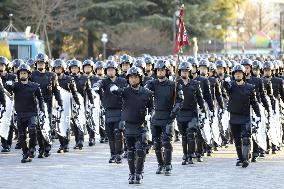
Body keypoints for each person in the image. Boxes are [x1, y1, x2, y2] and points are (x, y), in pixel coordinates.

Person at [110, 66, 153, 184]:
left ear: (140, 78)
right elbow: (117, 91)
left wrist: (150, 115)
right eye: (131, 78)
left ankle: (139, 173)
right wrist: (113, 88)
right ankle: (132, 173)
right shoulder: (125, 91)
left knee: (140, 150)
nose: (133, 80)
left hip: (141, 126)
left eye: (135, 77)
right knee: (130, 151)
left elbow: (151, 107)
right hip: (128, 125)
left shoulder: (147, 93)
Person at [145, 59, 183, 175]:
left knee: (167, 142)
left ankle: (168, 164)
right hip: (156, 116)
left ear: (166, 71)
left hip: (168, 116)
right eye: (158, 70)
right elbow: (145, 91)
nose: (160, 73)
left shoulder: (173, 85)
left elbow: (180, 100)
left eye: (162, 70)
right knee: (156, 144)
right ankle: (160, 164)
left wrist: (174, 112)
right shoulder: (152, 83)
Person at [6, 63, 45, 163]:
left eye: (24, 73)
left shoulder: (35, 86)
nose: (22, 75)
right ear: (18, 75)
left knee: (32, 130)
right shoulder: (15, 86)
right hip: (20, 114)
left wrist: (42, 110)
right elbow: (8, 93)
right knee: (22, 135)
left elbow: (40, 99)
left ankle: (32, 149)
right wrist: (7, 86)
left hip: (32, 113)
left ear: (28, 74)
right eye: (21, 73)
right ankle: (25, 154)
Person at [224, 64, 261, 168]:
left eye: (240, 73)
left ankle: (245, 159)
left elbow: (254, 102)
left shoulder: (250, 87)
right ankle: (240, 158)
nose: (238, 75)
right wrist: (225, 82)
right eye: (236, 73)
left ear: (244, 74)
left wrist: (258, 115)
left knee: (246, 138)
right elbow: (225, 88)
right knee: (237, 140)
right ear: (234, 75)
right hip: (234, 116)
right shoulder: (231, 86)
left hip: (245, 117)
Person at [93, 60, 128, 163]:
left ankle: (119, 154)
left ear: (116, 70)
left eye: (112, 70)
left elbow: (126, 93)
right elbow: (99, 84)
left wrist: (118, 91)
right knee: (110, 135)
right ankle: (113, 154)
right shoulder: (104, 81)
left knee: (118, 133)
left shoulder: (122, 81)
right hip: (108, 111)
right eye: (108, 70)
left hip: (120, 110)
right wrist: (97, 86)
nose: (110, 72)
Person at [176, 61, 205, 165]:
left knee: (191, 134)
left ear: (189, 72)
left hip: (192, 113)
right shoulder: (176, 84)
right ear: (180, 72)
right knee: (183, 136)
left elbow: (200, 99)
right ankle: (185, 154)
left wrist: (203, 111)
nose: (184, 73)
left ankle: (191, 154)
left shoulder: (195, 84)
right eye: (183, 71)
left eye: (186, 71)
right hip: (180, 113)